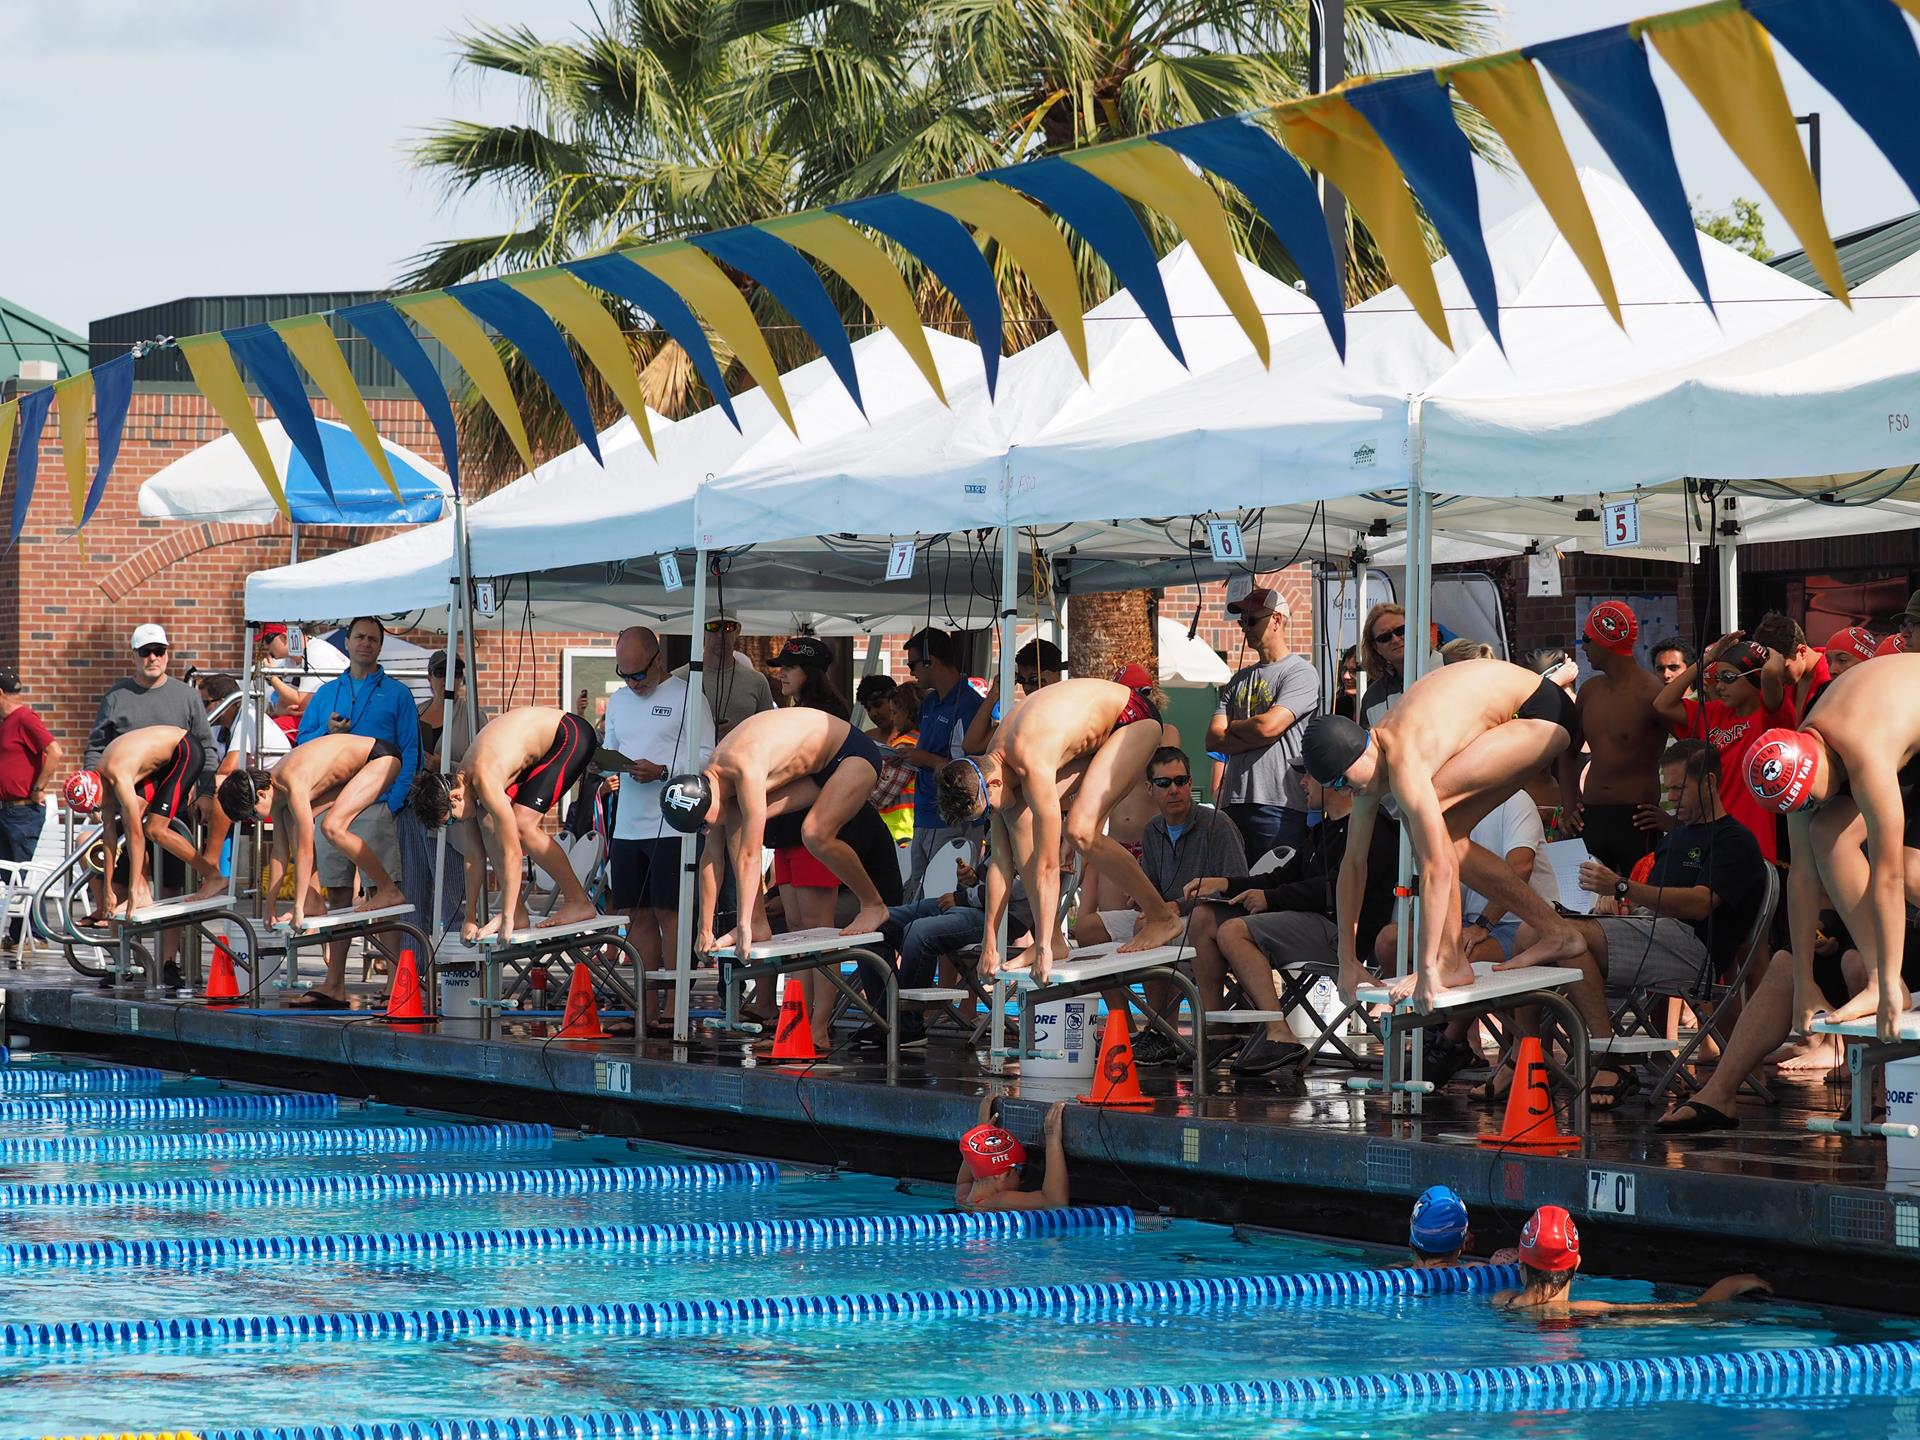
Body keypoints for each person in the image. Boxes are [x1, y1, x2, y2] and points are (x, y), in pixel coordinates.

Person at [1302, 659, 1586, 1011]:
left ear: (1363, 749)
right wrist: (1347, 959)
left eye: (1343, 780)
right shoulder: (1366, 770)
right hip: (1525, 713)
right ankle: (1557, 933)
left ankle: (1448, 961)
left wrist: (1426, 969)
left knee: (1432, 819)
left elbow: (1435, 867)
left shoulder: (1403, 756)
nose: (1345, 791)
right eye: (1333, 787)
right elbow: (1354, 864)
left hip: (1541, 711)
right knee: (1445, 833)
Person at [1508, 740, 1766, 1109]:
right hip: (1653, 933)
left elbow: (1699, 904)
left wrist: (1623, 887)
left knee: (1567, 936)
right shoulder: (1677, 837)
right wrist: (1620, 904)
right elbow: (1653, 900)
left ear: (1709, 782)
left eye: (1679, 788)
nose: (1670, 799)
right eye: (1668, 789)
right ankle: (1529, 1057)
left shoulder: (1734, 839)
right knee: (1531, 931)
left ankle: (1608, 1058)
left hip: (1696, 951)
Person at [936, 677, 1179, 982]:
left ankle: (1161, 916)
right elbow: (1000, 864)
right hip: (1095, 734)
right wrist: (990, 943)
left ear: (994, 783)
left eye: (988, 810)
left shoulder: (1030, 760)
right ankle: (1052, 938)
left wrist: (1040, 952)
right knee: (1017, 819)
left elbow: (1048, 866)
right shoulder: (992, 765)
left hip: (1132, 718)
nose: (991, 816)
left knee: (1080, 831)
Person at [1742, 653, 1920, 1042]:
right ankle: (1879, 978)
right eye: (1799, 805)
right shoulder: (1798, 757)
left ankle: (1887, 980)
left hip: (1892, 722)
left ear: (1819, 765)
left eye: (1810, 799)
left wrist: (1893, 981)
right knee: (1826, 835)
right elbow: (1802, 878)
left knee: (1908, 871)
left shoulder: (1866, 751)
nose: (1809, 808)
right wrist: (1803, 982)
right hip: (1893, 718)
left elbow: (1887, 877)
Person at [1186, 771, 1401, 1077]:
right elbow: (1282, 877)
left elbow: (1336, 889)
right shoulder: (1322, 829)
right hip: (1309, 921)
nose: (1301, 783)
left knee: (1234, 931)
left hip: (1342, 934)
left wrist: (1272, 899)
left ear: (1334, 780)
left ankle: (1279, 1033)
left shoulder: (1375, 826)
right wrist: (1225, 883)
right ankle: (1218, 1030)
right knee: (1203, 918)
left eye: (1309, 775)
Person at [663, 706, 893, 954]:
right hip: (819, 768)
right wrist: (704, 928)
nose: (706, 831)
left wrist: (741, 925)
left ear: (707, 800)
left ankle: (873, 904)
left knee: (815, 833)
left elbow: (751, 855)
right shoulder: (713, 785)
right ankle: (757, 922)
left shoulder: (744, 768)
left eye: (703, 824)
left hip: (851, 754)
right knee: (734, 822)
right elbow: (711, 858)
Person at [1076, 747, 1245, 1062]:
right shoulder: (1153, 829)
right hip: (1165, 916)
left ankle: (1161, 1033)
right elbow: (1152, 886)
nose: (1174, 790)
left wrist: (1175, 906)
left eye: (1180, 781)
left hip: (1206, 921)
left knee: (1150, 930)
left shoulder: (1217, 825)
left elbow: (1237, 887)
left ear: (1190, 783)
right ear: (1149, 788)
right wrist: (1142, 899)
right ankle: (1125, 1031)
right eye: (1164, 783)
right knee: (1088, 928)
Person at [413, 707, 620, 941]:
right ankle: (519, 911)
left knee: (522, 826)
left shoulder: (483, 778)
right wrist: (470, 917)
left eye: (451, 819)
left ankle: (578, 901)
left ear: (455, 797)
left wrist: (506, 916)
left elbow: (513, 853)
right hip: (540, 749)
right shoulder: (464, 784)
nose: (455, 823)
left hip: (569, 734)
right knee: (488, 822)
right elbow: (473, 857)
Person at [295, 617, 420, 995]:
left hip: (375, 804)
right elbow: (302, 745)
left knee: (384, 894)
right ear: (347, 642)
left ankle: (396, 984)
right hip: (331, 804)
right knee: (336, 892)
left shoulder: (397, 694)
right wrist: (327, 732)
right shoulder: (326, 693)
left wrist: (393, 802)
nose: (366, 644)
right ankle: (334, 982)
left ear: (380, 646)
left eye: (373, 639)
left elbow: (410, 751)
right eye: (360, 637)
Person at [602, 627, 714, 1035]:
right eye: (625, 675)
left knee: (672, 914)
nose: (633, 683)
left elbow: (708, 755)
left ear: (658, 659)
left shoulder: (688, 695)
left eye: (639, 674)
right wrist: (604, 764)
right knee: (636, 916)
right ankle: (645, 1009)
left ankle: (674, 1008)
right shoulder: (619, 700)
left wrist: (665, 771)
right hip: (628, 825)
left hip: (673, 823)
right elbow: (610, 748)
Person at [217, 733, 406, 946]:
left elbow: (305, 849)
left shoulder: (291, 782)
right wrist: (269, 907)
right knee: (292, 821)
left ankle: (388, 889)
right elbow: (279, 853)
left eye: (252, 814)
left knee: (332, 827)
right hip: (356, 770)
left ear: (261, 794)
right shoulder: (277, 795)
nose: (255, 820)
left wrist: (297, 907)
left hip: (379, 759)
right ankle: (312, 900)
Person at [1653, 633, 1793, 863]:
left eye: (1729, 678)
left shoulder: (1770, 717)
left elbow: (1770, 673)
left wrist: (1772, 655)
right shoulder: (1714, 713)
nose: (1719, 686)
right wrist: (1706, 660)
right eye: (1718, 678)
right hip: (1711, 835)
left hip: (1753, 839)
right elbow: (1662, 704)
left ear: (1755, 677)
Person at [1208, 584, 1319, 861]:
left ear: (1276, 620)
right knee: (1235, 882)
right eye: (1242, 621)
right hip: (1234, 802)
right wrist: (1256, 731)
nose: (1244, 628)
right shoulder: (1238, 679)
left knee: (1275, 883)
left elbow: (1268, 727)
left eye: (1251, 620)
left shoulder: (1300, 672)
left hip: (1281, 803)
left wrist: (1235, 727)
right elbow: (1212, 739)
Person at [1492, 1206, 1769, 1316]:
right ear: (1576, 1265)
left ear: (1521, 1265)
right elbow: (1683, 1313)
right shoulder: (1586, 1311)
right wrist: (1730, 1285)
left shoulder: (1501, 1301)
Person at [91, 726, 224, 918]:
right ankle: (142, 892)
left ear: (96, 789)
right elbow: (109, 836)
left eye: (97, 805)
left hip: (184, 750)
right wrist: (107, 889)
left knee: (154, 829)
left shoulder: (118, 776)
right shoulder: (100, 781)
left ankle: (213, 876)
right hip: (162, 761)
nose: (101, 808)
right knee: (131, 820)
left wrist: (130, 890)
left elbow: (136, 837)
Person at [1574, 602, 1666, 875]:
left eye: (1587, 638)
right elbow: (1567, 753)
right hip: (1591, 815)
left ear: (1607, 641)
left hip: (1636, 819)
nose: (1583, 647)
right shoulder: (1589, 691)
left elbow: (1694, 750)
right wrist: (1569, 803)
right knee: (1586, 898)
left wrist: (1676, 820)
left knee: (1639, 898)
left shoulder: (1651, 693)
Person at [898, 628, 986, 888]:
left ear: (930, 661)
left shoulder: (969, 704)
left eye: (912, 664)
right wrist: (907, 757)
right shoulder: (929, 702)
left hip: (953, 820)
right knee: (916, 891)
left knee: (944, 892)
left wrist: (926, 759)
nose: (911, 672)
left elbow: (975, 772)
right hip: (924, 813)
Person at [0, 669, 58, 953]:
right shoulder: (6, 723)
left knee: (25, 874)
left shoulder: (24, 718)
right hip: (6, 811)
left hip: (22, 812)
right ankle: (17, 933)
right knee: (8, 874)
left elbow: (54, 751)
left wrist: (38, 787)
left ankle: (37, 933)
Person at [673, 610, 774, 741]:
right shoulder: (678, 679)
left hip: (740, 753)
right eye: (712, 627)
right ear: (701, 629)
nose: (720, 635)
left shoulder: (757, 682)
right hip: (692, 754)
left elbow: (769, 733)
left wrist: (737, 733)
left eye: (728, 627)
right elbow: (667, 732)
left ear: (738, 630)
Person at [955, 1096, 1068, 1211]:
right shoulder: (998, 1201)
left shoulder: (963, 1198)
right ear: (999, 1175)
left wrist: (981, 1131)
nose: (1022, 1180)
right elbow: (1055, 1202)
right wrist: (1052, 1136)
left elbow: (964, 1181)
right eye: (1021, 1171)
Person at [1751, 611, 1832, 721]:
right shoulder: (1783, 678)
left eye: (1784, 669)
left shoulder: (1836, 676)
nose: (1779, 677)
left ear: (1802, 651)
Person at [872, 682, 922, 847]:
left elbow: (883, 792)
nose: (892, 718)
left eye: (895, 712)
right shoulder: (921, 740)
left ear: (908, 712)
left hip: (899, 830)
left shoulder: (905, 744)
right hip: (909, 826)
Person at [1332, 646, 1361, 723]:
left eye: (1354, 671)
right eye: (1344, 669)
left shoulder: (1380, 707)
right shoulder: (1339, 706)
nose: (1346, 676)